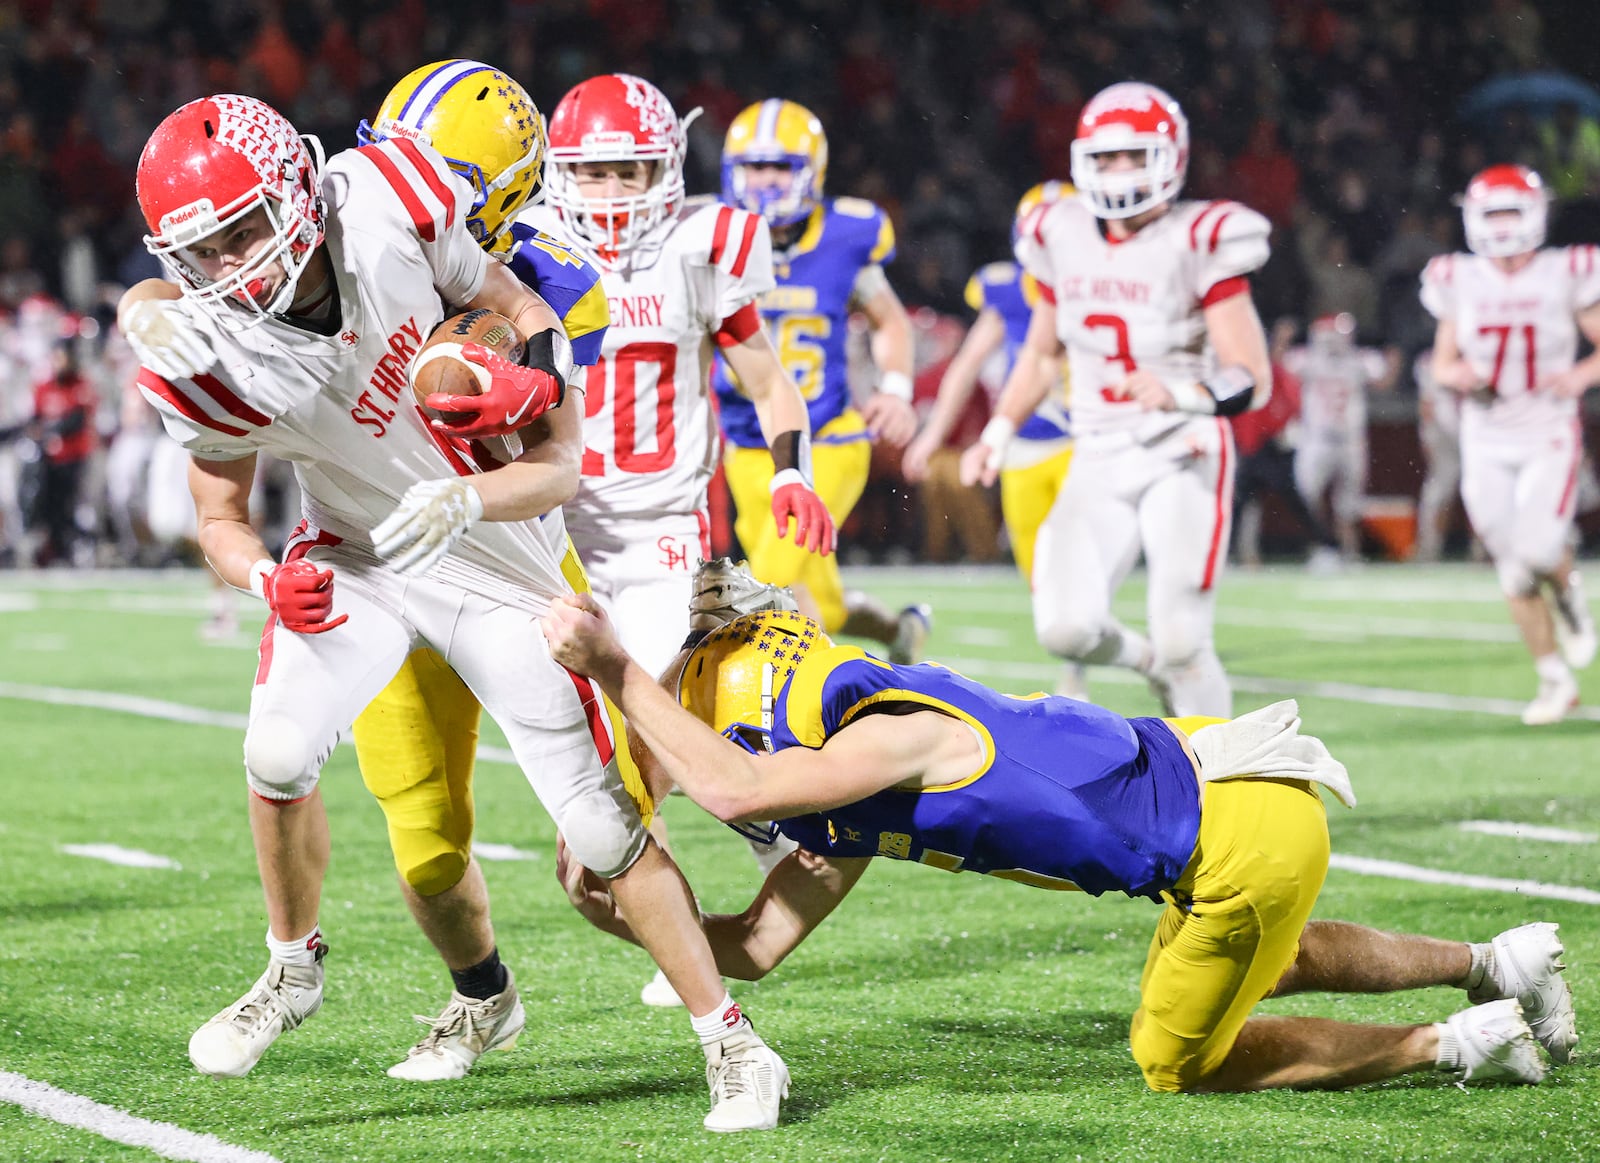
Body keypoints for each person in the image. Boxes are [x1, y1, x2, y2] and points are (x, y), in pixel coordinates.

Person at [118, 91, 786, 1132]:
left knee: (601, 823)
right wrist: (258, 577)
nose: (233, 265)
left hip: (494, 552)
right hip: (361, 553)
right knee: (279, 749)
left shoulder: (387, 204)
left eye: (246, 228)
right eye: (205, 249)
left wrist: (519, 391)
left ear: (297, 186)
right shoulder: (212, 346)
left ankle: (734, 1038)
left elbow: (532, 368)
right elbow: (219, 513)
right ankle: (292, 969)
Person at [542, 597, 1579, 1095]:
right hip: (1235, 793)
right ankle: (1499, 959)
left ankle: (1450, 1041)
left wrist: (611, 666)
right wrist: (631, 915)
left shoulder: (884, 738)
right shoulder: (861, 752)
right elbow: (760, 943)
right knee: (1269, 951)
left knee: (1175, 1059)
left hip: (1232, 835)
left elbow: (737, 782)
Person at [520, 76, 833, 1011]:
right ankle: (767, 828)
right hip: (547, 529)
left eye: (631, 171)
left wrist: (787, 471)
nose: (613, 192)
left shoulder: (707, 245)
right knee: (586, 785)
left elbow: (769, 381)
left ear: (669, 168)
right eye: (595, 173)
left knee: (645, 726)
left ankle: (773, 816)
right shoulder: (524, 249)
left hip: (659, 531)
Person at [959, 82, 1272, 719]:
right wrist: (996, 432)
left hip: (1181, 448)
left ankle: (1221, 783)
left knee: (1185, 635)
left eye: (1135, 156)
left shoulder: (1200, 236)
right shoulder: (1059, 230)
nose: (1119, 172)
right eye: (1105, 158)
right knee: (1064, 629)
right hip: (1097, 451)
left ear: (1171, 158)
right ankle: (1149, 665)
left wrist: (1183, 393)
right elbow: (1044, 354)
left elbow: (1250, 375)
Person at [714, 98, 928, 662]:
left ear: (811, 170)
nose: (764, 181)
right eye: (754, 166)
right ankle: (897, 632)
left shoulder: (844, 233)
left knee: (762, 586)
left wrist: (897, 389)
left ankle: (740, 720)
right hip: (746, 445)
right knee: (816, 602)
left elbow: (890, 321)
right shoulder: (711, 236)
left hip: (826, 437)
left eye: (779, 167)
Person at [1421, 164, 1600, 725]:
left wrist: (1581, 375)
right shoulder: (1458, 277)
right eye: (1490, 213)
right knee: (1512, 565)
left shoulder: (1566, 270)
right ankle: (1553, 679)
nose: (1499, 226)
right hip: (1486, 434)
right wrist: (1456, 376)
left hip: (1547, 428)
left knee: (1540, 550)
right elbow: (1442, 362)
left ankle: (1569, 594)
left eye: (1509, 212)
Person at [904, 180, 1084, 697]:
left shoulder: (1101, 285)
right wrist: (931, 436)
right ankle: (1077, 651)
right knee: (1038, 573)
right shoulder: (1006, 288)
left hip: (1084, 443)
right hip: (1025, 445)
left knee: (1078, 556)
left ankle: (1090, 657)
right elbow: (964, 366)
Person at [1282, 312, 1391, 566]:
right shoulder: (1308, 360)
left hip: (1350, 440)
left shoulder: (1359, 360)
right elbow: (1281, 369)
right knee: (1308, 496)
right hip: (1317, 439)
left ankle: (1349, 551)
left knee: (1349, 503)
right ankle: (1323, 546)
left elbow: (1383, 379)